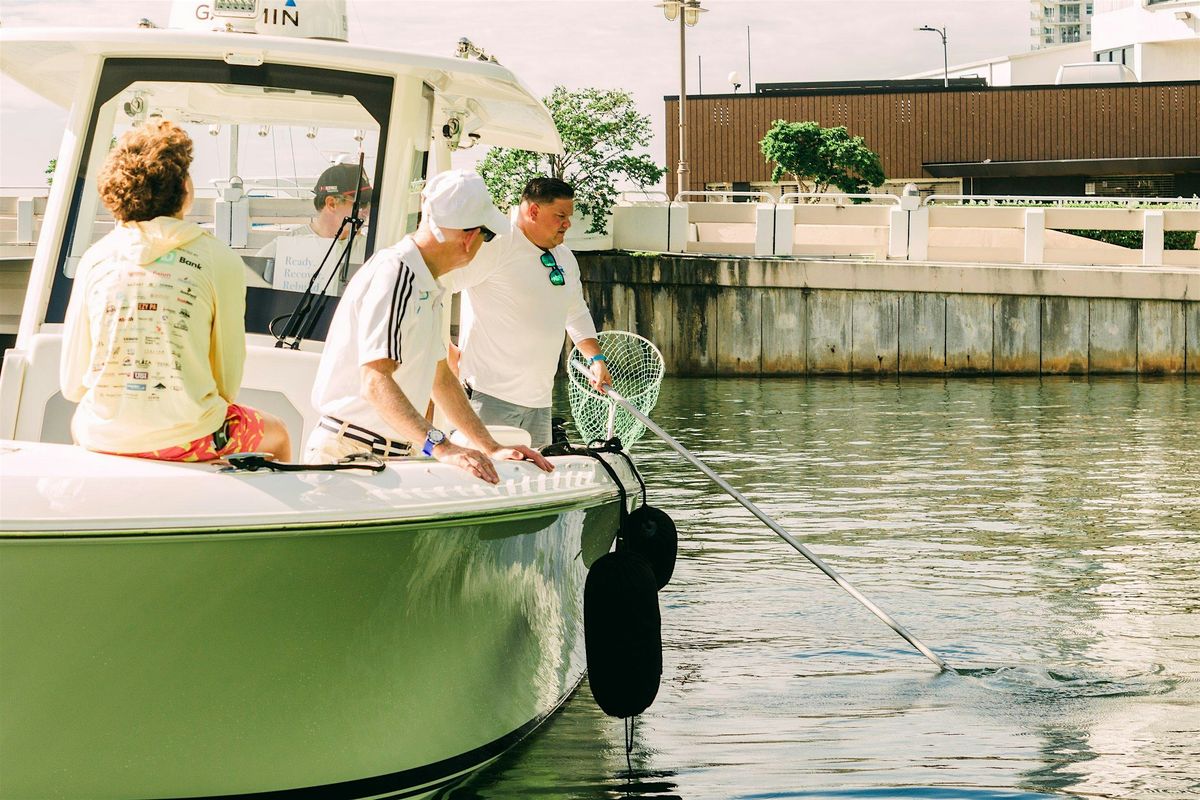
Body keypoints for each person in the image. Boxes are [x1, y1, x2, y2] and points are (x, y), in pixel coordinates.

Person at [60, 119, 291, 462]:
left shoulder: (95, 258)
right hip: (190, 439)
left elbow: (72, 385)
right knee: (279, 435)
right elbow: (227, 384)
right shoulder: (218, 259)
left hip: (99, 435)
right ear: (183, 187)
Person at [303, 169, 553, 484]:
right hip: (352, 455)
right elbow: (375, 379)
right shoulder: (398, 276)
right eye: (487, 235)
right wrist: (443, 447)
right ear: (470, 237)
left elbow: (441, 377)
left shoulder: (424, 281)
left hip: (384, 454)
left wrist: (489, 446)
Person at [440, 177, 612, 449]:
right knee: (483, 476)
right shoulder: (496, 246)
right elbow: (441, 286)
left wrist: (596, 359)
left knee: (532, 483)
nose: (567, 223)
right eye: (560, 216)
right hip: (488, 397)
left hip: (540, 403)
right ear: (533, 211)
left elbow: (576, 313)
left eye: (569, 216)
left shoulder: (566, 258)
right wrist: (444, 351)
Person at [255, 163, 370, 283]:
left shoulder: (371, 249)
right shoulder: (283, 248)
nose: (367, 210)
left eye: (369, 203)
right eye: (361, 203)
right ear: (331, 204)